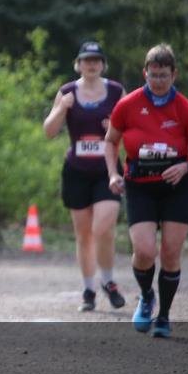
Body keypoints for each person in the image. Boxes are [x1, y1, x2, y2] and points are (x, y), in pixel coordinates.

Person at [104, 44, 188, 338]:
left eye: (164, 75)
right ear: (145, 73)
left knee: (171, 251)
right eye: (153, 76)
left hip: (177, 187)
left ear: (174, 74)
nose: (159, 81)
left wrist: (187, 167)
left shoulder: (185, 109)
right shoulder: (128, 105)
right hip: (140, 187)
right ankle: (146, 296)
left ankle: (164, 315)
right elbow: (110, 141)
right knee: (144, 250)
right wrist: (113, 174)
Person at [43, 41, 127, 312]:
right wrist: (61, 109)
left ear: (103, 64)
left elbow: (134, 128)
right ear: (78, 64)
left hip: (107, 171)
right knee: (83, 235)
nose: (91, 65)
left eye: (96, 60)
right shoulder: (67, 92)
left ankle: (109, 281)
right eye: (86, 60)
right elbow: (49, 131)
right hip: (76, 171)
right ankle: (89, 290)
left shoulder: (116, 91)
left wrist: (115, 127)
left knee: (103, 228)